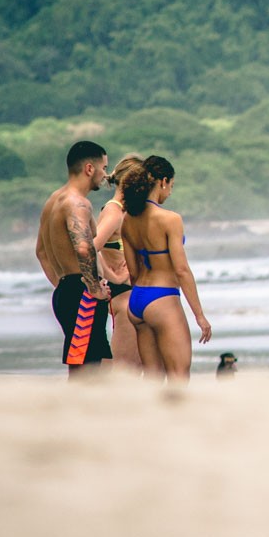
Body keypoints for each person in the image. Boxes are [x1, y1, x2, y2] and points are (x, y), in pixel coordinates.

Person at [118, 156, 211, 382]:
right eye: (171, 186)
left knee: (153, 379)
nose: (169, 192)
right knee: (179, 375)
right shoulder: (170, 219)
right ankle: (178, 417)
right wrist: (200, 316)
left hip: (138, 300)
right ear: (163, 181)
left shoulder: (128, 220)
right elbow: (181, 270)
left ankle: (154, 417)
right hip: (163, 298)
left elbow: (132, 271)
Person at [35, 140, 112, 379]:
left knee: (87, 362)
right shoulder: (78, 203)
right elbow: (83, 248)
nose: (105, 174)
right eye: (104, 167)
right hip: (82, 294)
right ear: (90, 168)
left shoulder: (53, 201)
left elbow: (41, 252)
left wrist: (63, 284)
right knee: (88, 367)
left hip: (67, 291)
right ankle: (83, 411)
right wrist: (92, 288)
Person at [92, 154, 161, 374]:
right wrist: (113, 277)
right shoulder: (113, 213)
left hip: (134, 294)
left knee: (141, 364)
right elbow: (89, 248)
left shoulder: (125, 212)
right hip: (122, 296)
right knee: (126, 367)